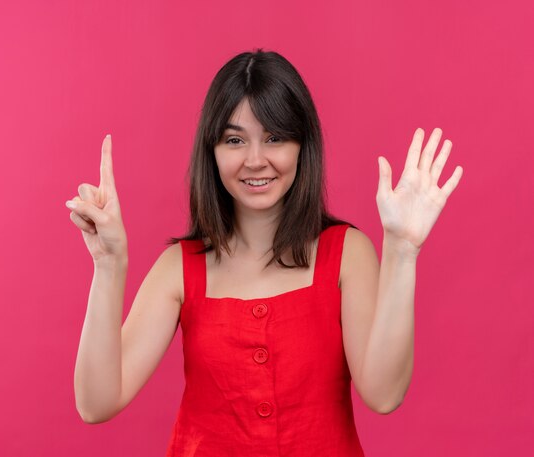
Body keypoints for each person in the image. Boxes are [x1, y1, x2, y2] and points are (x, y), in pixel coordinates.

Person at [67, 49, 463, 456]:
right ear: (213, 151)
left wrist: (402, 249)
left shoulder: (346, 254)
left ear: (301, 144)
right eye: (235, 140)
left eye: (275, 137)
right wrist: (108, 264)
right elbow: (95, 403)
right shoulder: (180, 268)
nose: (256, 161)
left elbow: (384, 395)